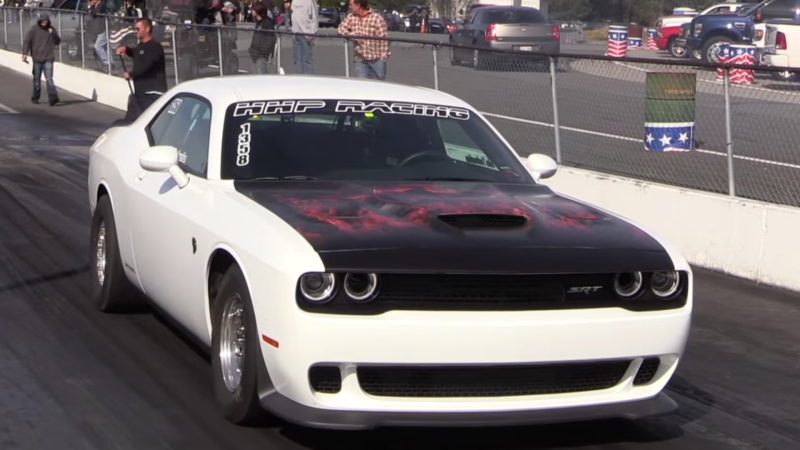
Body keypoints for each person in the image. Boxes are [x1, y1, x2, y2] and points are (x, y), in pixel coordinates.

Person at [116, 18, 168, 121]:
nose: (136, 31)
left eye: (138, 29)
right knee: (130, 122)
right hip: (140, 94)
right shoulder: (141, 46)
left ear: (147, 29)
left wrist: (131, 74)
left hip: (151, 95)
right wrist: (127, 50)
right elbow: (138, 54)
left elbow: (147, 65)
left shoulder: (155, 47)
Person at [337, 0, 388, 80]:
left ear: (358, 5)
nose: (349, 7)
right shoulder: (351, 17)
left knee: (378, 86)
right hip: (360, 59)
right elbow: (340, 29)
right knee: (362, 85)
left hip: (376, 59)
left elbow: (384, 39)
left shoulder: (376, 18)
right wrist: (353, 36)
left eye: (351, 5)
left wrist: (383, 58)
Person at [22, 13, 61, 106]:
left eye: (46, 21)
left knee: (49, 79)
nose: (44, 22)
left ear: (48, 22)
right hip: (37, 58)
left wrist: (53, 34)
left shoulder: (51, 29)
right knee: (36, 79)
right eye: (42, 21)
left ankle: (53, 98)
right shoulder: (34, 30)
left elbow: (57, 42)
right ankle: (35, 97)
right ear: (39, 21)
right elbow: (27, 41)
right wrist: (25, 53)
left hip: (48, 58)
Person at [249, 1, 277, 74]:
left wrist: (263, 51)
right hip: (255, 54)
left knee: (261, 76)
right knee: (255, 76)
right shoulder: (258, 23)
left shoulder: (267, 22)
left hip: (261, 55)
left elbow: (271, 38)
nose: (251, 11)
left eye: (253, 9)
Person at [290, 0, 317, 74]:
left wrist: (312, 32)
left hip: (306, 34)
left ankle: (309, 80)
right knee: (297, 60)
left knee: (307, 59)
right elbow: (293, 13)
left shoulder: (309, 1)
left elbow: (314, 17)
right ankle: (299, 79)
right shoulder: (294, 1)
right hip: (295, 33)